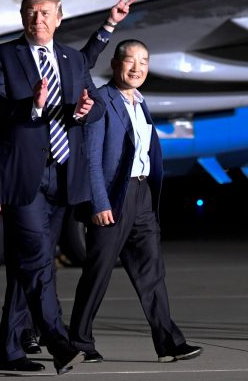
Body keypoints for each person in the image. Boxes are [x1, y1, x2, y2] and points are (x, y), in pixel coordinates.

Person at [0, 0, 136, 361]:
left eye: (46, 13)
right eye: (31, 13)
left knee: (26, 266)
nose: (38, 19)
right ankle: (57, 340)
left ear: (59, 18)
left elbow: (96, 102)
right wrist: (32, 106)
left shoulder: (70, 59)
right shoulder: (4, 57)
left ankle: (11, 348)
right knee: (37, 259)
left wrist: (86, 110)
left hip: (63, 176)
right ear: (22, 17)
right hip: (22, 178)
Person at [69, 39, 202, 363]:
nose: (137, 68)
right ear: (115, 64)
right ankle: (79, 342)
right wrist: (99, 203)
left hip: (141, 195)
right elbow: (91, 159)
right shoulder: (102, 100)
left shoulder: (140, 102)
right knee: (98, 272)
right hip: (113, 196)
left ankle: (169, 343)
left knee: (151, 272)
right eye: (130, 60)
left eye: (144, 62)